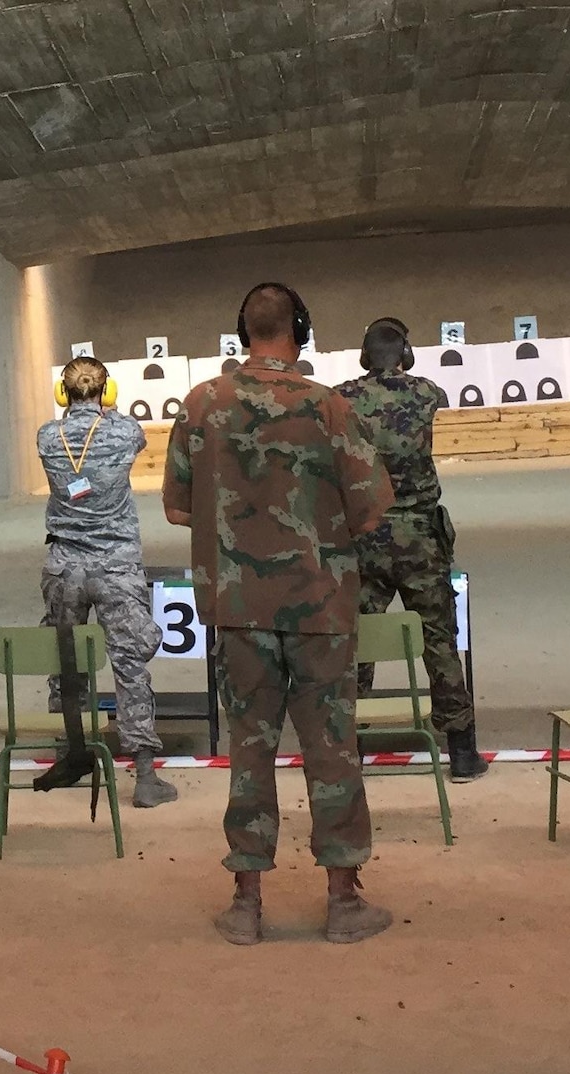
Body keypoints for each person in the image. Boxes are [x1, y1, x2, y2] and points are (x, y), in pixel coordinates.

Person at [164, 282, 395, 946]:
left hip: (237, 608)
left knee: (249, 750)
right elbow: (371, 505)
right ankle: (343, 902)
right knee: (332, 750)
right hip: (321, 607)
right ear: (302, 330)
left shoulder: (203, 403)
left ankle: (246, 902)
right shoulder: (329, 406)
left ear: (242, 331)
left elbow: (178, 506)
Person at [335, 317, 485, 782]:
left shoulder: (342, 398)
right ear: (406, 355)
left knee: (356, 642)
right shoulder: (425, 392)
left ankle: (348, 750)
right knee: (439, 640)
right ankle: (461, 750)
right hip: (419, 536)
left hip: (363, 535)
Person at [33, 356, 177, 807]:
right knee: (130, 665)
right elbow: (123, 433)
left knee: (66, 662)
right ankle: (146, 776)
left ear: (62, 394)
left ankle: (69, 751)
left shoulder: (46, 437)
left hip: (64, 566)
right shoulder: (125, 432)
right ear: (107, 393)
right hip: (116, 565)